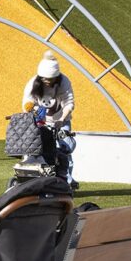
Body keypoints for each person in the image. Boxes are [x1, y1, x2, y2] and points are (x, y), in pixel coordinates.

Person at [22, 50, 77, 188]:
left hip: (61, 120)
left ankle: (66, 182)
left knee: (64, 149)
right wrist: (32, 111)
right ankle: (40, 179)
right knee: (39, 149)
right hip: (40, 122)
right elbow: (27, 103)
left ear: (56, 77)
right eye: (44, 79)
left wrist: (62, 119)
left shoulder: (64, 82)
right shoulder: (33, 83)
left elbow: (69, 102)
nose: (47, 82)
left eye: (50, 79)